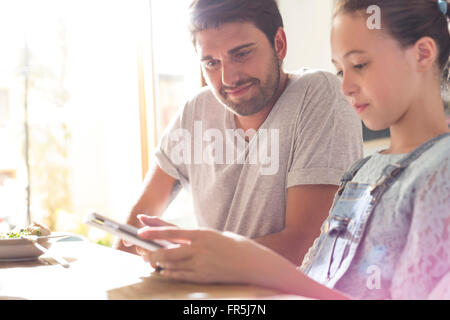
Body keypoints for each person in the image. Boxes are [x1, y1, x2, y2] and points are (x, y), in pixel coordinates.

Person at [135, 0, 450, 300]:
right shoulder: (361, 173)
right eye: (341, 70)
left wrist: (243, 259)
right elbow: (319, 281)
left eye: (360, 64)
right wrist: (225, 254)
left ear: (422, 54)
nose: (345, 87)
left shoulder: (441, 169)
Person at [116, 0, 363, 265]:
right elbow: (131, 236)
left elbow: (306, 245)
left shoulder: (318, 94)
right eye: (211, 63)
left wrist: (195, 252)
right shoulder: (195, 111)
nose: (228, 78)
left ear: (279, 44)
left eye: (241, 54)